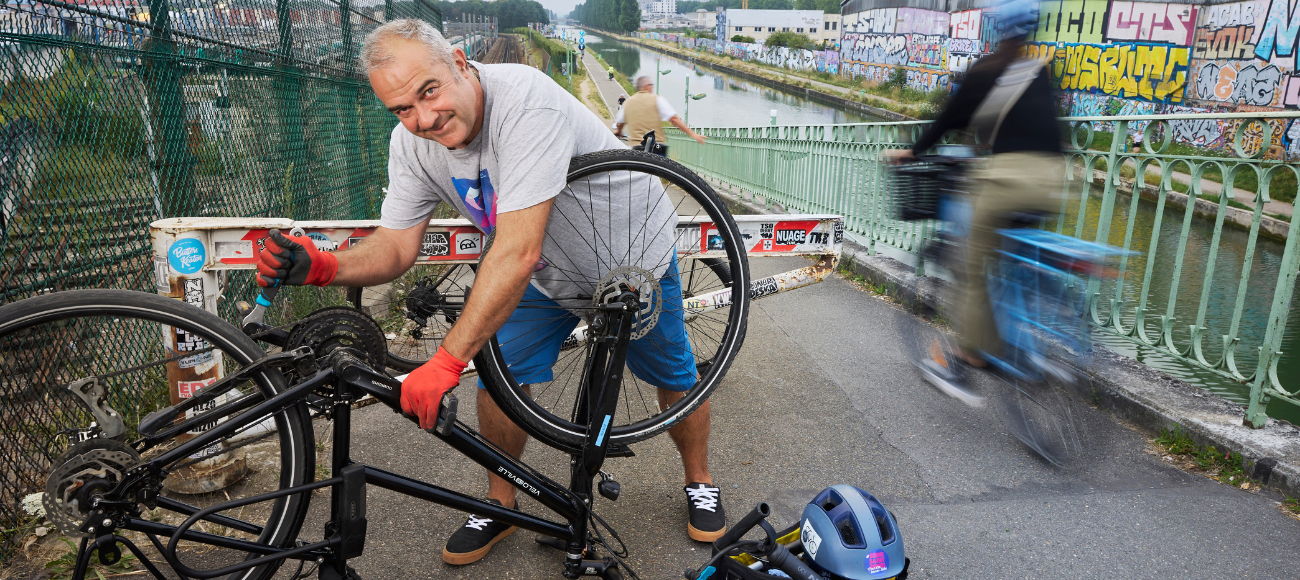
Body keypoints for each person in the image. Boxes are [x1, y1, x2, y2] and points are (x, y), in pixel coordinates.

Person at [254, 18, 729, 565]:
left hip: (629, 257)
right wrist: (323, 265)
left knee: (673, 377)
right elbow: (396, 247)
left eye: (428, 92)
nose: (423, 118)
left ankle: (700, 479)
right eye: (402, 109)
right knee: (502, 384)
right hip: (545, 272)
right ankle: (501, 504)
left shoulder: (526, 102)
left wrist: (445, 360)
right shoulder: (413, 144)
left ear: (458, 61)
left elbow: (516, 249)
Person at [886, 0, 1061, 389]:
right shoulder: (1041, 71)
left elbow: (948, 120)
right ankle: (1025, 339)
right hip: (1053, 181)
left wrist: (911, 151)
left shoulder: (984, 71)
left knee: (968, 266)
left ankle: (968, 360)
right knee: (1011, 255)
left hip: (1008, 182)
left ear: (998, 31)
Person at [615, 75, 706, 155]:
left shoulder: (628, 103)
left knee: (639, 172)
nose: (652, 88)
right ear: (646, 86)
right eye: (651, 85)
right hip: (657, 147)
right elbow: (674, 119)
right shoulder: (657, 99)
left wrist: (619, 132)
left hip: (637, 147)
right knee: (658, 172)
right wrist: (692, 134)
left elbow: (620, 123)